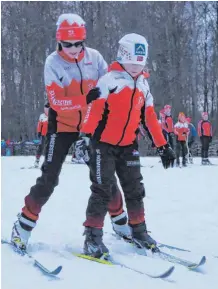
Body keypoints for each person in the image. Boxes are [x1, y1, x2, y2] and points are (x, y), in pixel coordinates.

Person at [11, 13, 128, 251]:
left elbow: (110, 82)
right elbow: (56, 102)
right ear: (59, 42)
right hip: (61, 126)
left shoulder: (94, 58)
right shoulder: (52, 63)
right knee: (49, 177)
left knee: (104, 176)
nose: (73, 49)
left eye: (78, 44)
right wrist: (85, 98)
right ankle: (23, 225)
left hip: (90, 126)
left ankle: (120, 221)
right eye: (67, 45)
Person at [79, 33, 175, 259]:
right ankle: (92, 238)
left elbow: (150, 118)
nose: (135, 68)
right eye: (132, 62)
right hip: (103, 145)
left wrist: (163, 146)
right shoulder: (109, 81)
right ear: (122, 58)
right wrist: (84, 137)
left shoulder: (143, 85)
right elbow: (94, 112)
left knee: (135, 189)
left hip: (128, 144)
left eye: (139, 64)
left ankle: (139, 231)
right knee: (102, 190)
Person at [34, 102, 49, 168]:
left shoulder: (53, 116)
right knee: (41, 147)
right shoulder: (42, 116)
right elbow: (39, 125)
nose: (47, 110)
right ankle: (37, 160)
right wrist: (39, 132)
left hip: (51, 135)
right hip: (44, 135)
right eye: (46, 108)